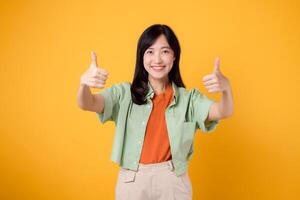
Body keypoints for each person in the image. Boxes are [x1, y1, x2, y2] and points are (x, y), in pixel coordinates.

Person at [77, 24, 233, 200]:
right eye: (150, 52)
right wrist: (84, 84)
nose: (157, 59)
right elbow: (87, 103)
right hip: (133, 180)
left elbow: (223, 111)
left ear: (174, 55)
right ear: (141, 56)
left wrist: (226, 89)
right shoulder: (123, 94)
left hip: (173, 180)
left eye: (165, 51)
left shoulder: (189, 99)